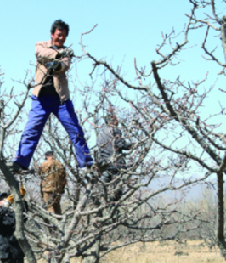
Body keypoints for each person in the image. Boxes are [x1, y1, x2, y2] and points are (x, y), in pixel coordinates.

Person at [8, 19, 93, 173]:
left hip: (61, 100)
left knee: (75, 130)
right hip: (40, 99)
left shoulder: (66, 53)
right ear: (52, 34)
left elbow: (64, 65)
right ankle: (20, 163)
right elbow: (41, 53)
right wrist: (58, 54)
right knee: (31, 130)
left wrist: (59, 64)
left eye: (64, 37)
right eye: (58, 35)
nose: (61, 39)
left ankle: (86, 163)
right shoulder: (41, 45)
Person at [96, 111, 133, 201]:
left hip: (104, 165)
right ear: (113, 121)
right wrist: (131, 146)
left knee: (104, 192)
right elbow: (120, 143)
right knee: (117, 192)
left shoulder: (100, 134)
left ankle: (103, 207)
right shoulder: (114, 130)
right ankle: (114, 208)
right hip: (116, 165)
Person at [38, 150, 66, 214]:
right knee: (57, 206)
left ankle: (52, 222)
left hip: (47, 189)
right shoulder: (60, 164)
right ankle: (60, 221)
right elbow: (64, 178)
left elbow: (39, 173)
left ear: (47, 156)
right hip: (58, 189)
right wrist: (62, 188)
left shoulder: (44, 164)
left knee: (49, 206)